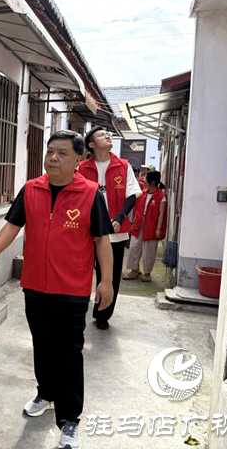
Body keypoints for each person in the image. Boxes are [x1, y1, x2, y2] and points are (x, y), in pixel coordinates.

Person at [0, 130, 114, 449]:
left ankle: (69, 420)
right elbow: (13, 225)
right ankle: (46, 393)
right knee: (41, 345)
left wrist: (106, 281)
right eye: (50, 151)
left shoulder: (91, 194)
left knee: (68, 353)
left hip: (72, 290)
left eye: (62, 153)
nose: (53, 158)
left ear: (79, 159)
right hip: (35, 286)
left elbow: (102, 240)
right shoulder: (31, 189)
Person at [79, 127, 142, 330]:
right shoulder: (82, 168)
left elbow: (131, 195)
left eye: (108, 133)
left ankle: (103, 314)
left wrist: (120, 217)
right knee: (81, 270)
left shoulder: (123, 165)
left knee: (110, 275)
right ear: (91, 144)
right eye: (101, 135)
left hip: (116, 230)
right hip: (86, 230)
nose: (107, 135)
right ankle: (78, 307)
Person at [124, 171, 167, 282]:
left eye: (146, 178)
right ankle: (134, 270)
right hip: (139, 225)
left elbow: (161, 213)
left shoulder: (161, 196)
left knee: (149, 250)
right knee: (134, 247)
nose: (143, 180)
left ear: (152, 181)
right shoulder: (142, 194)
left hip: (152, 226)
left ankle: (147, 273)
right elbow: (137, 210)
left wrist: (158, 229)